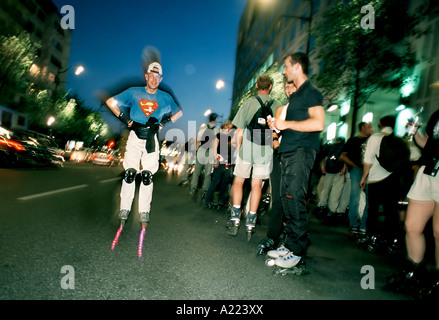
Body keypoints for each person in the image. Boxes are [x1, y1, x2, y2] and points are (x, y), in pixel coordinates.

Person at [266, 52, 325, 272]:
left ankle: (298, 251)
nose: (283, 70)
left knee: (295, 198)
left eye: (286, 66)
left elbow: (318, 123)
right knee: (287, 199)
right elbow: (291, 123)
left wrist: (287, 124)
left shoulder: (311, 91)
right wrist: (278, 126)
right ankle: (290, 244)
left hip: (302, 150)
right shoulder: (297, 95)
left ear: (297, 67)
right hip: (289, 151)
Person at [105, 61, 182, 225]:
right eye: (151, 76)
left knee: (147, 175)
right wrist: (125, 119)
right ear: (146, 76)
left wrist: (164, 122)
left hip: (151, 138)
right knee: (130, 173)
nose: (154, 80)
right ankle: (124, 208)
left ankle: (144, 211)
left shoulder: (165, 97)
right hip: (135, 135)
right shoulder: (134, 92)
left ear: (161, 79)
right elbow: (110, 102)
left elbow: (179, 112)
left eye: (157, 77)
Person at [388, 109, 439, 298]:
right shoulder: (437, 114)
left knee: (438, 231)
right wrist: (415, 131)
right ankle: (413, 274)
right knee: (411, 226)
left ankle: (436, 279)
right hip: (428, 170)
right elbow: (428, 144)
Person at [227, 74, 281, 240]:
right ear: (270, 87)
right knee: (257, 185)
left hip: (248, 148)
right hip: (265, 149)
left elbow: (239, 130)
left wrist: (237, 146)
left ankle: (235, 218)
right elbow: (278, 131)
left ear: (257, 86)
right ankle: (251, 221)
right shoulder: (278, 105)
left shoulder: (249, 103)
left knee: (239, 181)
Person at [258, 80, 297, 254]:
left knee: (294, 200)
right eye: (287, 87)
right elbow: (273, 131)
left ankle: (292, 241)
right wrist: (275, 144)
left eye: (293, 86)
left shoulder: (306, 109)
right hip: (279, 155)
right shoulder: (282, 109)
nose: (289, 90)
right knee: (278, 199)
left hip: (297, 158)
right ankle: (272, 236)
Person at [359, 115, 406, 252]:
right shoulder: (400, 140)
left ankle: (372, 238)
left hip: (376, 179)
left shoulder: (375, 138)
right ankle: (389, 239)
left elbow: (368, 160)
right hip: (394, 179)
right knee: (390, 211)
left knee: (373, 209)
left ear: (380, 123)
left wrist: (364, 177)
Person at [340, 121, 374, 237]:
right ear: (362, 127)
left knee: (369, 198)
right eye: (368, 127)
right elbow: (343, 155)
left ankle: (363, 225)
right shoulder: (353, 141)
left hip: (370, 170)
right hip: (357, 169)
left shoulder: (372, 140)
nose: (371, 129)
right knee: (355, 196)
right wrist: (352, 165)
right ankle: (353, 224)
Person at [203, 120, 235, 209]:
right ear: (223, 127)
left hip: (228, 161)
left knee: (225, 181)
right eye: (227, 127)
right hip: (219, 160)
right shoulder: (218, 136)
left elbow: (232, 150)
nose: (228, 129)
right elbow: (214, 149)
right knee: (215, 180)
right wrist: (215, 160)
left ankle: (222, 201)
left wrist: (232, 159)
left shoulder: (231, 138)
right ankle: (207, 200)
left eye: (230, 128)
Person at [315, 137, 347, 224]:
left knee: (325, 191)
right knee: (335, 193)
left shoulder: (331, 147)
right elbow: (344, 158)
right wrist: (344, 168)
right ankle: (332, 211)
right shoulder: (343, 147)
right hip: (338, 173)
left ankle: (322, 206)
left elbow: (324, 158)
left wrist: (323, 167)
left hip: (329, 171)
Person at [189, 113, 219, 200]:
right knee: (208, 173)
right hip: (210, 152)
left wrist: (195, 152)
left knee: (196, 171)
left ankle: (193, 188)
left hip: (201, 150)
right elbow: (215, 143)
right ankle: (205, 190)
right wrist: (215, 156)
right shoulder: (217, 129)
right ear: (216, 119)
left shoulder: (202, 127)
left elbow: (198, 141)